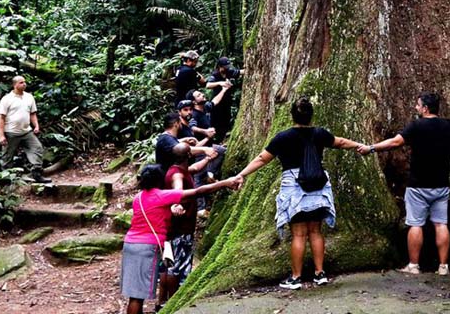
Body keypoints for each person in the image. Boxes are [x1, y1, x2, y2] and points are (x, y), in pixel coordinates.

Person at [235, 97, 364, 290]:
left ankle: (295, 277)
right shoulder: (320, 134)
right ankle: (320, 274)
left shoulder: (283, 137)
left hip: (295, 188)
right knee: (315, 231)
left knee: (298, 234)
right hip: (318, 185)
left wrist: (241, 174)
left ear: (291, 116)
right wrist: (361, 146)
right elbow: (341, 142)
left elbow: (263, 159)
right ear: (311, 116)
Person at [358, 92, 450, 276]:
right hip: (441, 185)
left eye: (418, 105)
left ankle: (413, 265)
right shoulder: (448, 125)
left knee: (415, 224)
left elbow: (395, 142)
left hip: (417, 186)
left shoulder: (416, 126)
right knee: (441, 224)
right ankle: (443, 266)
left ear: (425, 108)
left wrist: (371, 148)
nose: (416, 107)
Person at [121, 164, 240, 314]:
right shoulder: (161, 195)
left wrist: (170, 208)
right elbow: (198, 191)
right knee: (138, 297)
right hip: (146, 247)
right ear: (160, 180)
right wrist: (224, 183)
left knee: (134, 294)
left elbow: (154, 211)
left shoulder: (138, 198)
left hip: (130, 244)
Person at [157, 143, 211, 308]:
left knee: (168, 264)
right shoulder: (177, 176)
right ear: (188, 155)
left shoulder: (178, 170)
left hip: (172, 229)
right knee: (176, 267)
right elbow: (178, 190)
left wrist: (208, 158)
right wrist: (176, 204)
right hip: (180, 231)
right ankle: (174, 303)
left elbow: (194, 169)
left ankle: (161, 303)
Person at [0, 75, 46, 182]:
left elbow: (32, 113)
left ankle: (37, 173)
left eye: (24, 82)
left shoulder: (29, 97)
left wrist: (36, 126)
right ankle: (7, 180)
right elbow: (1, 118)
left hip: (26, 131)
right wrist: (1, 135)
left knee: (37, 148)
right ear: (15, 85)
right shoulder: (7, 99)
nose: (24, 84)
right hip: (11, 132)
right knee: (7, 157)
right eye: (21, 82)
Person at [205, 56, 239, 141]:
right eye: (225, 66)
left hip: (227, 102)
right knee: (216, 122)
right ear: (220, 66)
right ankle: (214, 140)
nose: (227, 68)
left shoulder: (229, 72)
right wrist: (220, 83)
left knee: (226, 121)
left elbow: (239, 72)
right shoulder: (215, 75)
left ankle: (221, 139)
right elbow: (208, 85)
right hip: (217, 102)